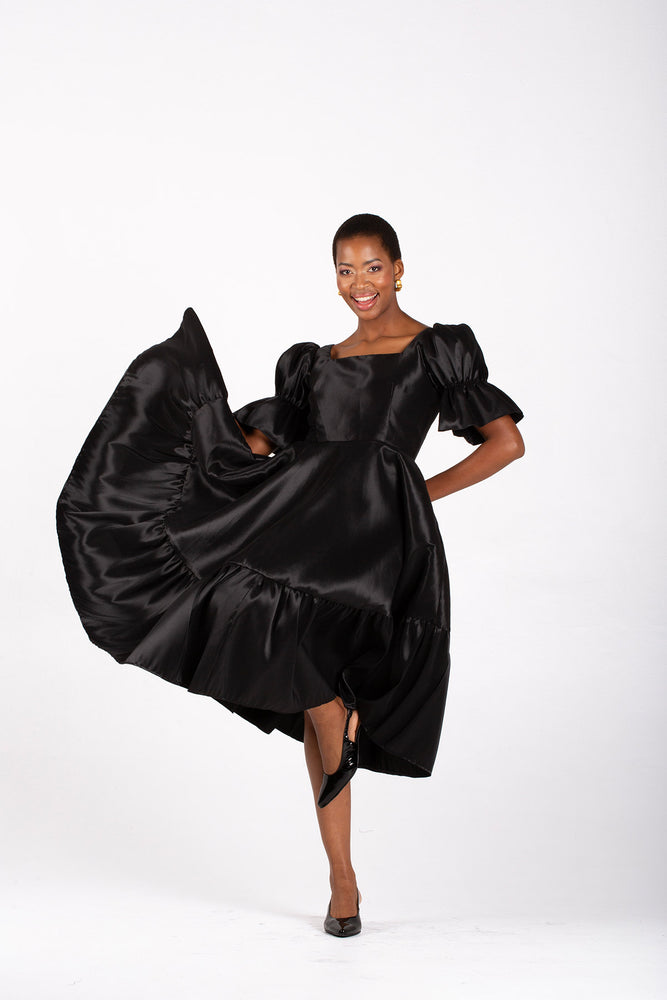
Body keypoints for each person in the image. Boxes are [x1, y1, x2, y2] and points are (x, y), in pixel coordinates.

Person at [56, 213, 524, 938]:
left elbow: (505, 444)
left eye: (372, 267)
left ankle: (344, 821)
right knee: (315, 701)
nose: (359, 283)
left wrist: (413, 494)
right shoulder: (312, 365)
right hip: (303, 526)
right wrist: (199, 452)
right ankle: (342, 880)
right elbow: (256, 446)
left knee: (326, 691)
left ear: (399, 270)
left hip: (373, 540)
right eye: (345, 270)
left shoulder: (437, 350)